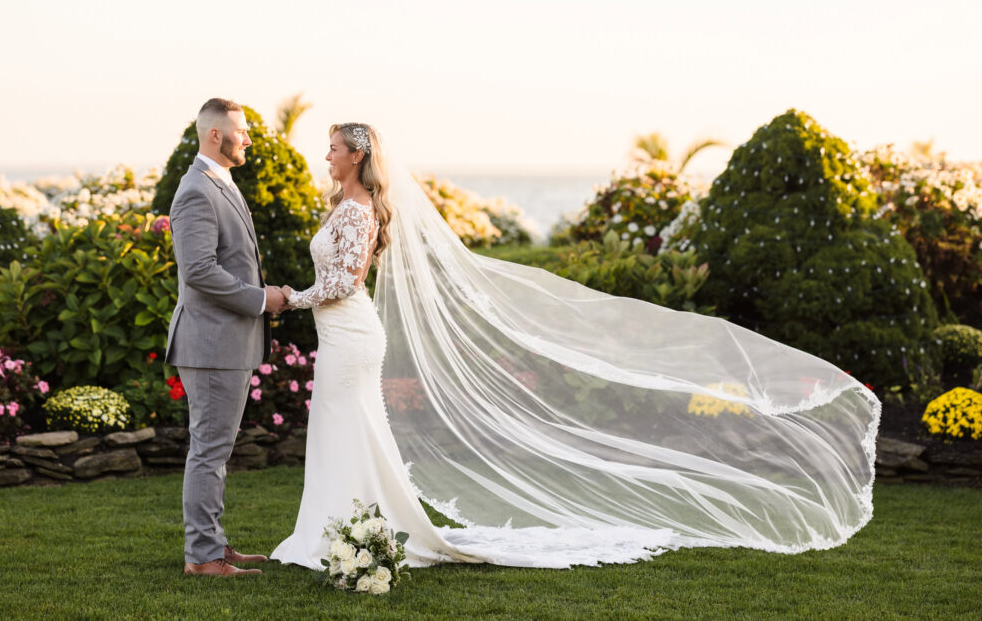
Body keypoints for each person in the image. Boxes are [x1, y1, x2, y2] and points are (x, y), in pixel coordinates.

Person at [272, 122, 881, 570]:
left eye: (332, 148)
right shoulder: (348, 205)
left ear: (357, 156)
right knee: (346, 431)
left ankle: (350, 534)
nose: (325, 155)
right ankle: (340, 532)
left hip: (349, 334)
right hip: (346, 333)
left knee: (346, 425)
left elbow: (343, 284)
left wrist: (285, 299)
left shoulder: (356, 212)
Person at [166, 98, 289, 576]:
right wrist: (261, 300)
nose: (250, 139)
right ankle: (203, 557)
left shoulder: (220, 182)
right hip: (211, 342)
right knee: (209, 452)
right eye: (242, 131)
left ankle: (212, 545)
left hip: (222, 342)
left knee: (214, 450)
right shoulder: (196, 189)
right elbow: (198, 271)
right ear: (215, 135)